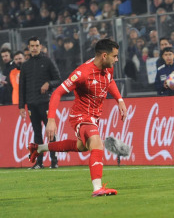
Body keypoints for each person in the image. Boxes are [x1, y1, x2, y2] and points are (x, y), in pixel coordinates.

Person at [28, 38, 127, 197]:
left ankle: (38, 148)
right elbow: (57, 92)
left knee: (82, 147)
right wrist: (51, 119)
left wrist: (120, 100)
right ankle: (97, 188)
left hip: (94, 116)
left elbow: (110, 82)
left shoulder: (108, 68)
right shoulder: (82, 73)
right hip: (81, 115)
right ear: (103, 56)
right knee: (96, 143)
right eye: (114, 56)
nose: (116, 59)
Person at [19, 36, 61, 169]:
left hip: (45, 102)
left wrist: (49, 83)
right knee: (37, 133)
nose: (35, 48)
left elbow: (58, 79)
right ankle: (39, 162)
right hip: (31, 103)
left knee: (50, 132)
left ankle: (54, 161)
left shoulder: (48, 61)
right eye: (32, 46)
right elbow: (22, 87)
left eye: (37, 45)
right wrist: (21, 106)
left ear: (40, 46)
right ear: (29, 48)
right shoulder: (25, 65)